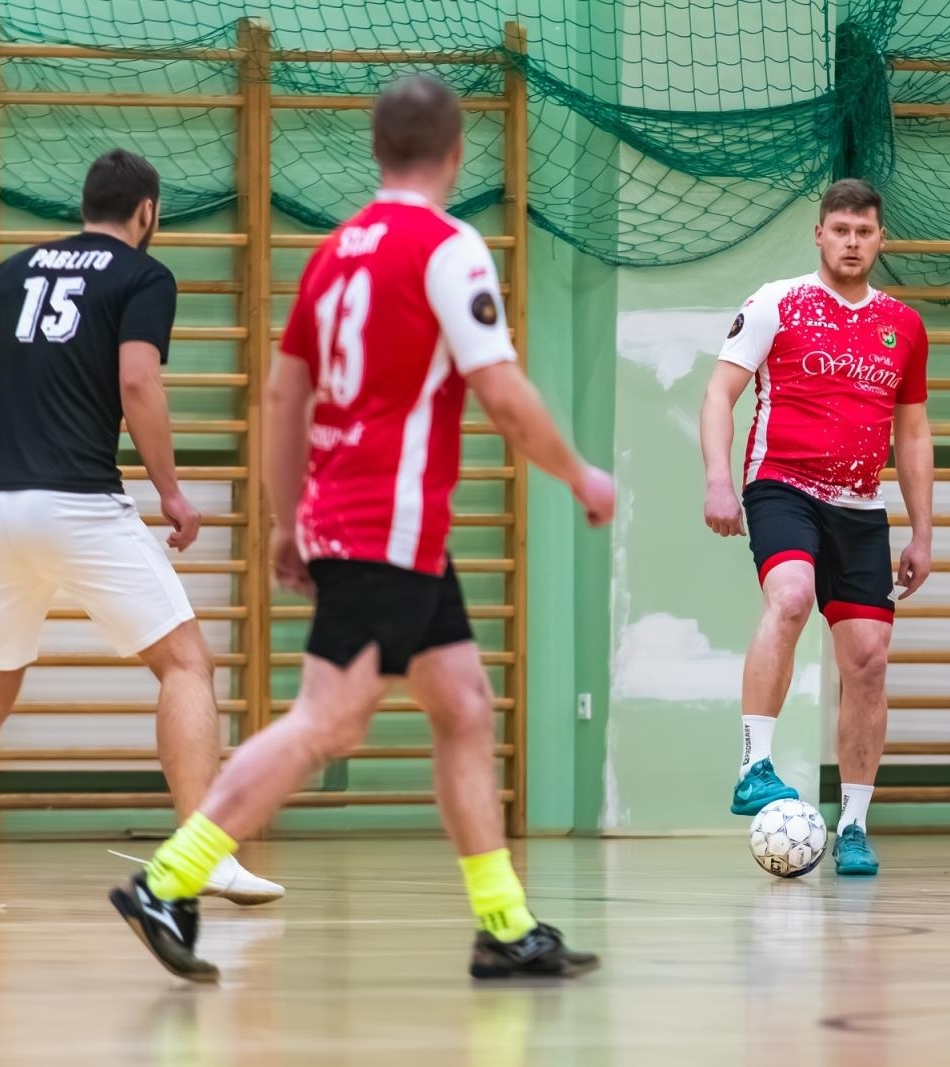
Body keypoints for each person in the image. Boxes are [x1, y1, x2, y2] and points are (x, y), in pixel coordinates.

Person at [108, 75, 615, 983]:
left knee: (462, 707)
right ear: (458, 154)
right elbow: (500, 390)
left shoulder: (336, 251)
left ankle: (504, 926)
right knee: (325, 722)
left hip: (365, 520)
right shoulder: (449, 249)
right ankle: (167, 876)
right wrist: (579, 472)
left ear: (377, 153)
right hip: (388, 522)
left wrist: (284, 517)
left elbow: (283, 394)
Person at [0, 149, 282, 909]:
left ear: (85, 205)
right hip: (78, 501)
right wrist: (171, 491)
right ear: (147, 212)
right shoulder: (144, 277)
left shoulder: (15, 272)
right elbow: (137, 379)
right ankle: (202, 852)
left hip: (0, 509)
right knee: (186, 665)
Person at [698, 178, 933, 877]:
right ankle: (755, 764)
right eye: (840, 229)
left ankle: (854, 826)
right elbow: (719, 393)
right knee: (792, 594)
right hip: (783, 488)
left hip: (860, 508)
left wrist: (923, 530)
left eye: (864, 231)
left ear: (880, 238)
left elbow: (913, 434)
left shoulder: (905, 326)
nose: (852, 242)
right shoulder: (777, 302)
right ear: (820, 234)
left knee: (868, 662)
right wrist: (717, 478)